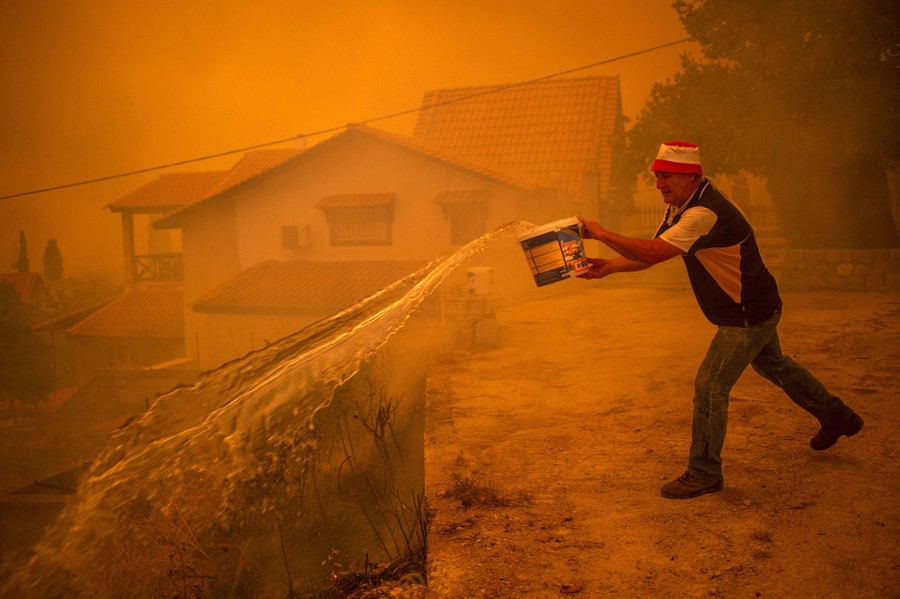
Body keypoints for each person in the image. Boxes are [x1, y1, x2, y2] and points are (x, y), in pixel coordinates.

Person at [577, 140, 864, 499]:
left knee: (710, 386)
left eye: (665, 176)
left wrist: (601, 234)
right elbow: (655, 254)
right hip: (754, 305)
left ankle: (704, 472)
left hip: (746, 313)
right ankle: (839, 417)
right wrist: (609, 267)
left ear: (689, 176)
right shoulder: (685, 204)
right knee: (776, 366)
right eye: (656, 176)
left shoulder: (704, 213)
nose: (658, 185)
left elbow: (650, 251)